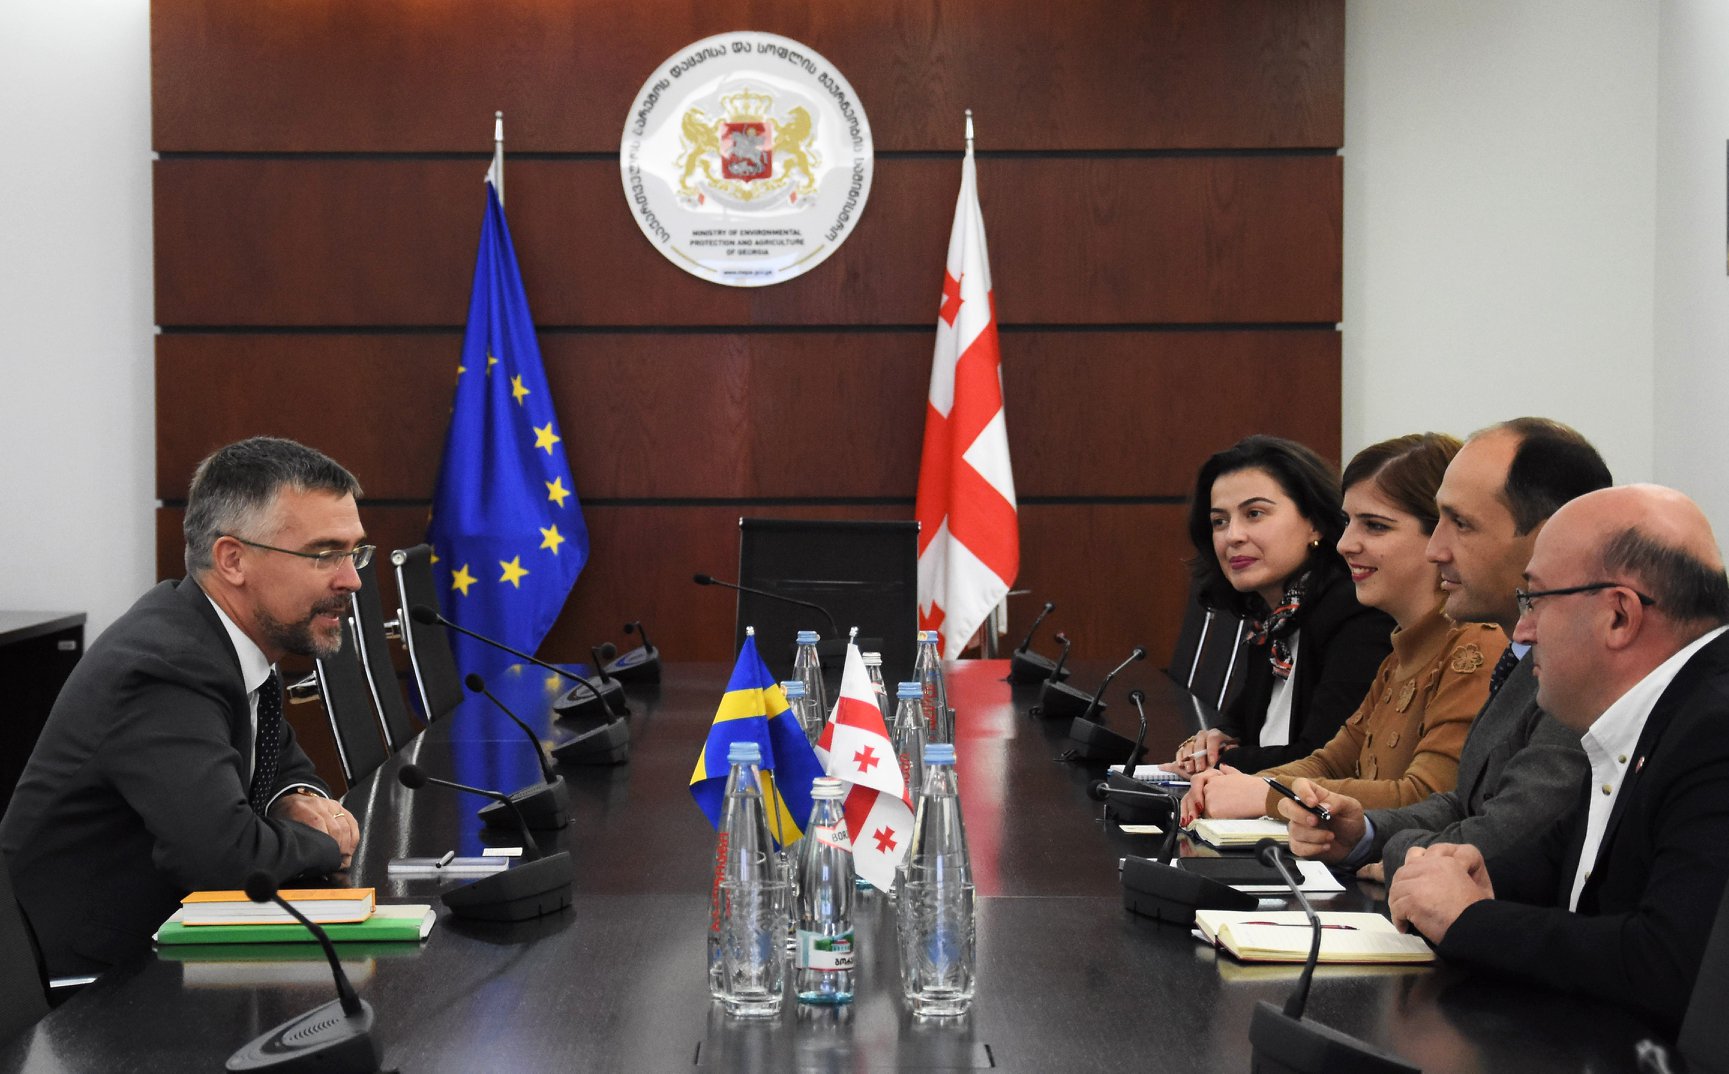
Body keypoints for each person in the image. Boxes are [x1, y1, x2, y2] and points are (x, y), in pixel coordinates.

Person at [0, 437, 367, 977]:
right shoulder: (166, 667)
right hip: (79, 990)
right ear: (233, 559)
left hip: (161, 950)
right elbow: (224, 859)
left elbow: (281, 766)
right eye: (324, 554)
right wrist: (324, 841)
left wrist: (299, 799)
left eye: (355, 552)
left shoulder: (224, 641)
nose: (352, 578)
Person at [1387, 484, 1729, 1033]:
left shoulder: (1714, 730)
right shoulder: (1660, 710)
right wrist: (1480, 877)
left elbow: (1669, 965)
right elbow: (1569, 863)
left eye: (1535, 600)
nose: (1523, 631)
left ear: (1618, 616)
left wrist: (1470, 919)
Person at [1276, 419, 1606, 881]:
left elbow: (1507, 836)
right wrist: (1364, 832)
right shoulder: (1517, 653)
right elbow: (1463, 802)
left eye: (1461, 524)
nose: (1435, 550)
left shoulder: (1580, 666)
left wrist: (1393, 851)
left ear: (1548, 537)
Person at [1180, 434, 1505, 823]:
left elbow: (1427, 797)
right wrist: (1231, 783)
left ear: (1440, 537)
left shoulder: (1475, 645)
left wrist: (1265, 794)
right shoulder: (1404, 648)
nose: (1345, 544)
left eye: (1375, 526)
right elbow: (1330, 761)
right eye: (1349, 522)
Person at [1171, 436, 1393, 774]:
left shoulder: (1355, 612)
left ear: (1314, 522)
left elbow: (1320, 761)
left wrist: (1214, 762)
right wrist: (1213, 740)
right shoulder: (1277, 618)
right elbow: (1242, 726)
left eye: (1254, 514)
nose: (1233, 536)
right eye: (1219, 521)